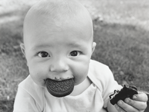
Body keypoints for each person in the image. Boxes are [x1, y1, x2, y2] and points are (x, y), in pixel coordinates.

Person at [13, 0, 148, 112]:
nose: (59, 66)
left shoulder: (101, 74)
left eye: (74, 53)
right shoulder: (29, 95)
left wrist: (124, 105)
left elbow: (110, 101)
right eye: (43, 54)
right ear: (26, 54)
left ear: (91, 51)